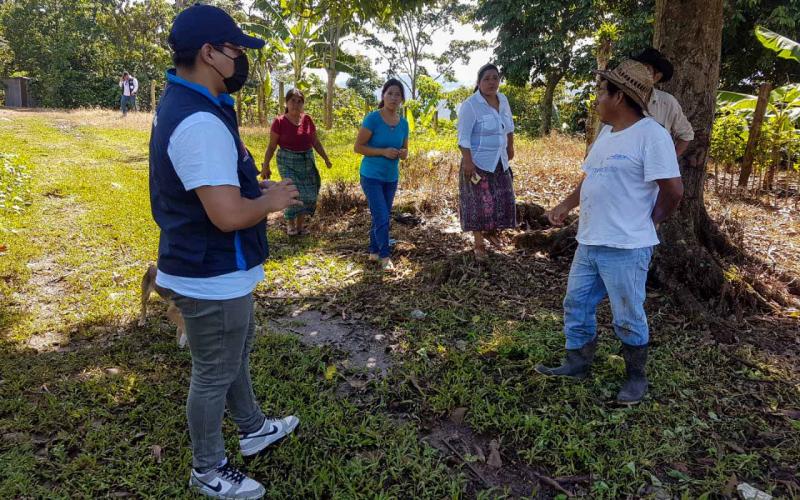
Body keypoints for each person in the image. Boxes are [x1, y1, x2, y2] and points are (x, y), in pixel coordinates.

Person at [150, 5, 302, 498]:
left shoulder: (193, 104)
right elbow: (226, 214)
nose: (241, 60)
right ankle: (208, 469)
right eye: (235, 50)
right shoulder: (199, 121)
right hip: (210, 272)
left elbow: (212, 186)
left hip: (215, 269)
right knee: (214, 371)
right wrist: (269, 202)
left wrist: (252, 187)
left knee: (233, 353)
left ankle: (253, 428)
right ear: (209, 53)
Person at [536, 60, 684, 405]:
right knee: (576, 303)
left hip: (626, 246)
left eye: (602, 92)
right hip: (589, 240)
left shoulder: (652, 136)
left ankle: (635, 377)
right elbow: (591, 176)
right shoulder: (606, 133)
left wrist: (651, 221)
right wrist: (566, 205)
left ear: (619, 97)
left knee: (627, 314)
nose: (597, 99)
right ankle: (577, 363)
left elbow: (674, 190)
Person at [456, 63, 516, 260]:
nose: (491, 82)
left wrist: (510, 147)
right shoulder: (470, 105)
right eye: (487, 79)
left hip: (500, 160)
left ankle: (492, 232)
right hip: (477, 161)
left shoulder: (503, 100)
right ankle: (479, 243)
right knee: (478, 203)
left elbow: (509, 126)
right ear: (479, 82)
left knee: (501, 198)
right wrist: (468, 161)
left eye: (495, 78)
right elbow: (463, 137)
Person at [354, 78, 409, 271]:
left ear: (402, 99)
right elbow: (358, 147)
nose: (394, 98)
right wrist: (383, 152)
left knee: (380, 215)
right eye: (390, 93)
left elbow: (405, 151)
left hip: (391, 178)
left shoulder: (403, 123)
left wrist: (402, 153)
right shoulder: (373, 119)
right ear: (383, 96)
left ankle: (373, 251)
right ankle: (385, 257)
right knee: (383, 217)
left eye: (398, 95)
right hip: (371, 176)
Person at [262, 88, 332, 236]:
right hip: (287, 161)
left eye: (300, 101)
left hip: (306, 160)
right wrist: (265, 165)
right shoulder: (279, 122)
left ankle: (300, 225)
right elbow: (272, 146)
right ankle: (290, 224)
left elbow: (315, 142)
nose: (296, 104)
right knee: (293, 192)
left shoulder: (307, 120)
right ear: (286, 103)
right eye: (293, 100)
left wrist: (326, 158)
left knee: (309, 194)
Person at [632, 47, 694, 156]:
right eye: (637, 68)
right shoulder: (619, 98)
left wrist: (669, 160)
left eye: (646, 69)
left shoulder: (667, 102)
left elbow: (686, 134)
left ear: (657, 77)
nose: (639, 72)